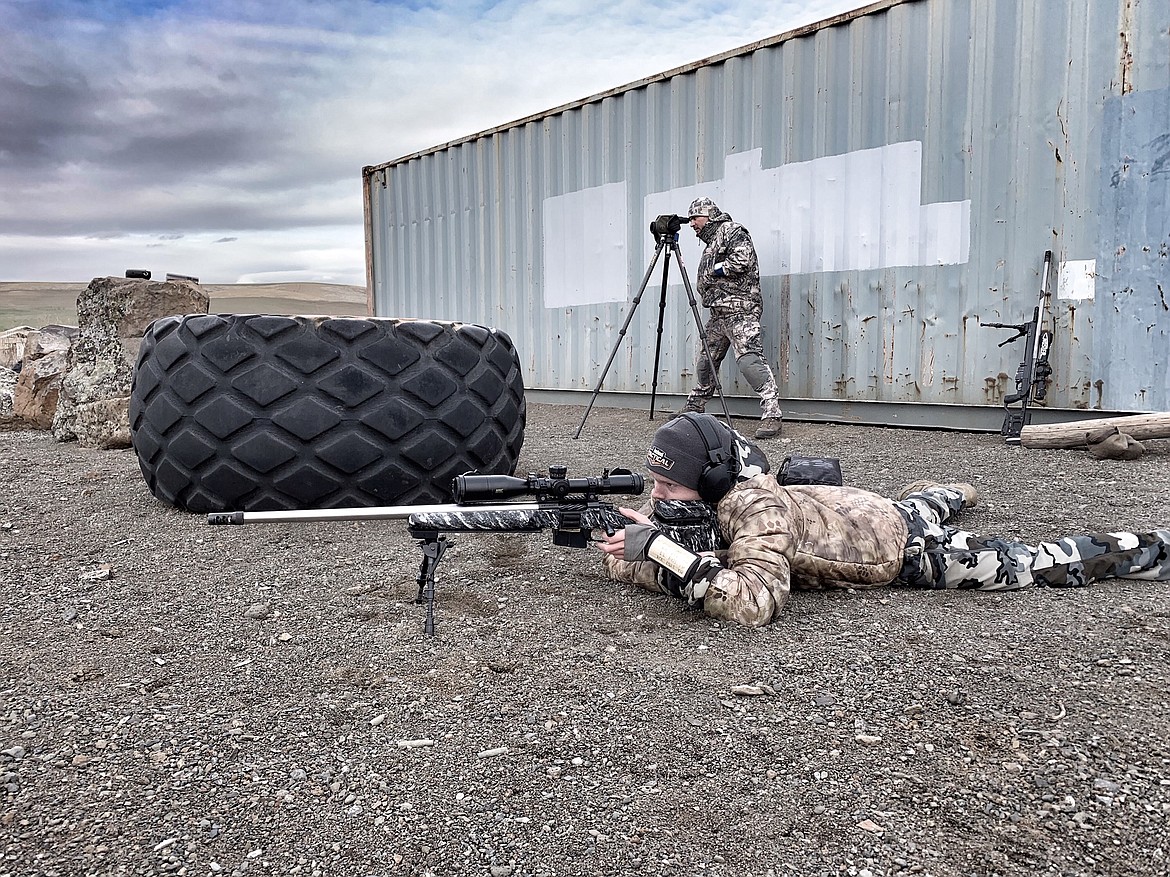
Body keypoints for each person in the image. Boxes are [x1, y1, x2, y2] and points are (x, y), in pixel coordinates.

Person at [595, 413, 1170, 627]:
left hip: (899, 547)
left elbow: (752, 604)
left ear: (714, 482)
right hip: (869, 508)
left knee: (1039, 563)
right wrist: (629, 549)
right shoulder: (684, 499)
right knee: (932, 499)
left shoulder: (753, 504)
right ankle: (952, 491)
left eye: (670, 485)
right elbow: (648, 555)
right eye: (656, 484)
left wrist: (657, 552)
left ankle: (1151, 548)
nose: (658, 496)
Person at [678, 197, 784, 439]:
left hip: (740, 310)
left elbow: (742, 260)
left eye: (695, 218)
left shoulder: (731, 230)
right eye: (691, 219)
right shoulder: (711, 241)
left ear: (709, 216)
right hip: (718, 313)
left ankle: (772, 414)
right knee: (707, 360)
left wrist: (714, 269)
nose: (692, 223)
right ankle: (695, 406)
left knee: (749, 361)